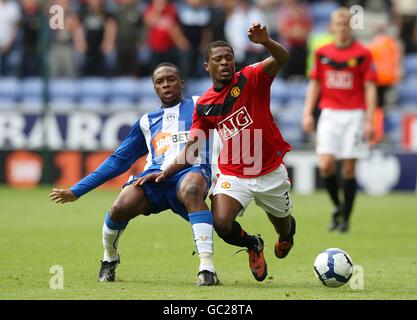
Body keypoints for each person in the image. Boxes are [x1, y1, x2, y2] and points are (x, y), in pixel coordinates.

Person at [138, 23, 296, 282]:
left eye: (229, 58)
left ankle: (287, 235)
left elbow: (283, 58)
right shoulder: (205, 105)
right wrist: (164, 172)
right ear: (206, 67)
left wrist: (266, 41)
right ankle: (253, 244)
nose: (224, 63)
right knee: (220, 222)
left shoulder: (251, 77)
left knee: (284, 225)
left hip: (268, 170)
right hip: (234, 174)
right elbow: (193, 147)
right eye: (218, 59)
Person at [49, 63, 218, 286]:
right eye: (160, 81)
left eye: (171, 79)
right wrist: (76, 190)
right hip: (153, 179)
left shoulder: (199, 104)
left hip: (191, 172)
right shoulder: (147, 122)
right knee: (120, 207)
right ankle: (109, 258)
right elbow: (118, 161)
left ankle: (207, 268)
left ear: (182, 82)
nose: (166, 84)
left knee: (193, 189)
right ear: (154, 88)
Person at [302, 8, 377, 233]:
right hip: (329, 113)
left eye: (346, 23)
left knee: (348, 170)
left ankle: (346, 218)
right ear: (332, 26)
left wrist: (370, 120)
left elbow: (370, 87)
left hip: (354, 114)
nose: (342, 27)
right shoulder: (322, 52)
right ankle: (337, 206)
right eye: (338, 23)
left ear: (351, 26)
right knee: (325, 165)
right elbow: (315, 83)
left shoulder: (363, 53)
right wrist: (307, 112)